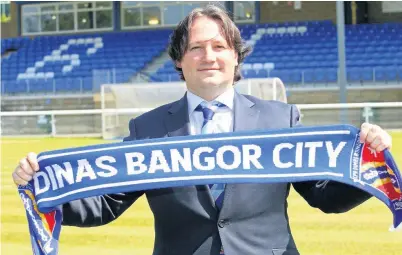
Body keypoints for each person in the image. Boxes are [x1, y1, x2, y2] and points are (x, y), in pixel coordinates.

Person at [13, 5, 392, 255]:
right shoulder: (149, 128)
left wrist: (368, 160)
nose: (208, 56)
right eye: (196, 48)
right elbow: (105, 202)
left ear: (235, 55)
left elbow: (324, 196)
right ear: (179, 60)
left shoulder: (281, 120)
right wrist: (42, 189)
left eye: (218, 46)